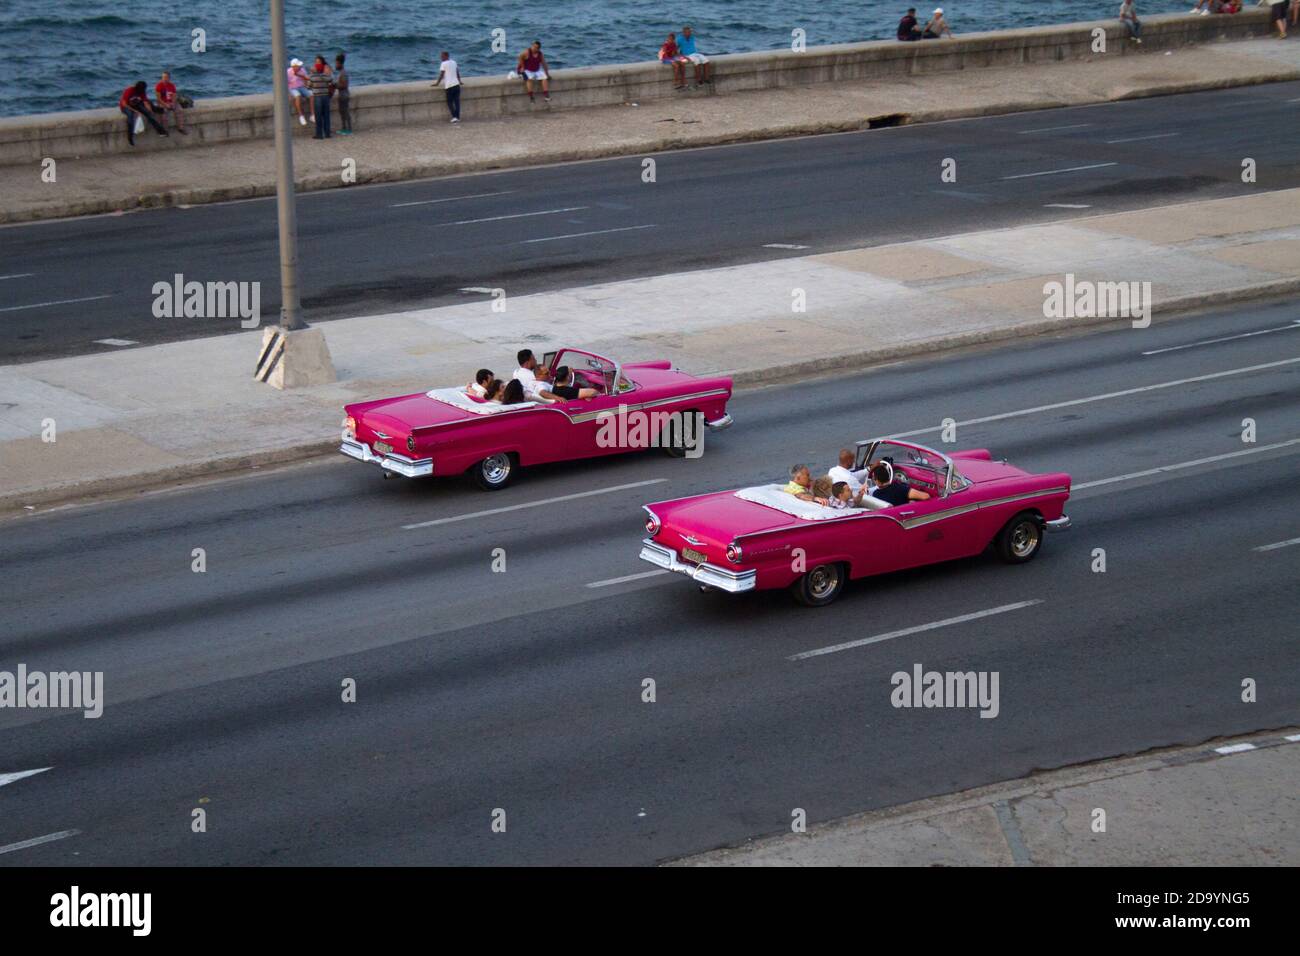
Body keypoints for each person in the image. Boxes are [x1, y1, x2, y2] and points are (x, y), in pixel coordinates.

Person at [118, 81, 167, 146]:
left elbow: (145, 101)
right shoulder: (129, 90)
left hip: (136, 104)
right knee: (130, 119)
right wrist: (135, 111)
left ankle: (160, 131)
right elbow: (124, 104)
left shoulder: (142, 91)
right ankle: (130, 137)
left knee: (149, 114)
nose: (143, 91)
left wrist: (149, 108)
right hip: (126, 107)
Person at [308, 56, 334, 139]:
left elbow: (308, 87)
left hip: (317, 97)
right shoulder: (326, 77)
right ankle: (327, 133)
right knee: (326, 116)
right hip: (325, 97)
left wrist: (311, 73)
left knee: (318, 116)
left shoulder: (312, 77)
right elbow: (331, 82)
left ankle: (319, 134)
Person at [435, 51, 461, 123]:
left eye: (442, 56)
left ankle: (454, 117)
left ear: (446, 56)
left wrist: (437, 83)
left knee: (449, 102)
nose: (441, 58)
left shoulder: (443, 64)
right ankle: (458, 117)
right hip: (456, 85)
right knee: (457, 102)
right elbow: (457, 73)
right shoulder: (454, 62)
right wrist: (460, 81)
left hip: (449, 86)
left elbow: (442, 75)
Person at [287, 58, 310, 126]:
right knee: (298, 96)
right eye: (298, 66)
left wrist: (306, 86)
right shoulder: (288, 72)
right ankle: (301, 116)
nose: (300, 67)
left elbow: (306, 78)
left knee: (311, 95)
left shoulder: (302, 70)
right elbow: (286, 83)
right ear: (293, 66)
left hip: (301, 87)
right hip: (293, 88)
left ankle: (312, 114)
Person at [334, 53, 352, 134]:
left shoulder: (343, 73)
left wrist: (335, 85)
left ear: (340, 64)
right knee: (342, 112)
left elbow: (344, 85)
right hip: (342, 94)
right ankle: (344, 128)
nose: (336, 65)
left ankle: (348, 129)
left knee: (345, 112)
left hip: (344, 95)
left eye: (337, 63)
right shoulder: (342, 72)